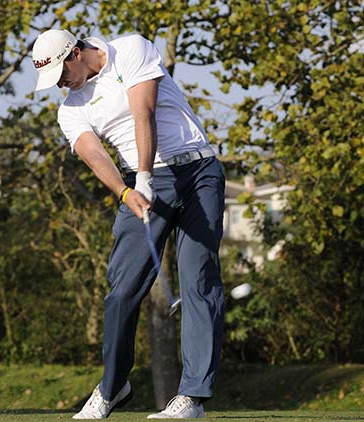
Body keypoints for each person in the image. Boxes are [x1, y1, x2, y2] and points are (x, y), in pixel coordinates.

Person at [32, 29, 226, 419]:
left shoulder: (131, 49)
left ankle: (192, 396)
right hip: (139, 185)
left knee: (198, 282)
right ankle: (113, 386)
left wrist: (144, 177)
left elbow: (145, 112)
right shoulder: (70, 109)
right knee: (121, 292)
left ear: (75, 54)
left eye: (60, 74)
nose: (60, 85)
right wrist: (125, 190)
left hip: (197, 171)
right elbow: (95, 154)